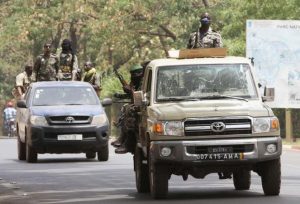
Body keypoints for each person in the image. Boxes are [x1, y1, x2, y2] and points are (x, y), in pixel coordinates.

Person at [112, 64, 145, 154]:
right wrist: (120, 95)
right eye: (132, 74)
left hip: (144, 105)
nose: (134, 76)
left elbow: (139, 95)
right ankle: (122, 137)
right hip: (137, 104)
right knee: (125, 108)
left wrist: (130, 90)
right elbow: (131, 94)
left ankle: (128, 142)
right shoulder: (135, 82)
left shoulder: (144, 82)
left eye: (136, 74)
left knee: (130, 111)